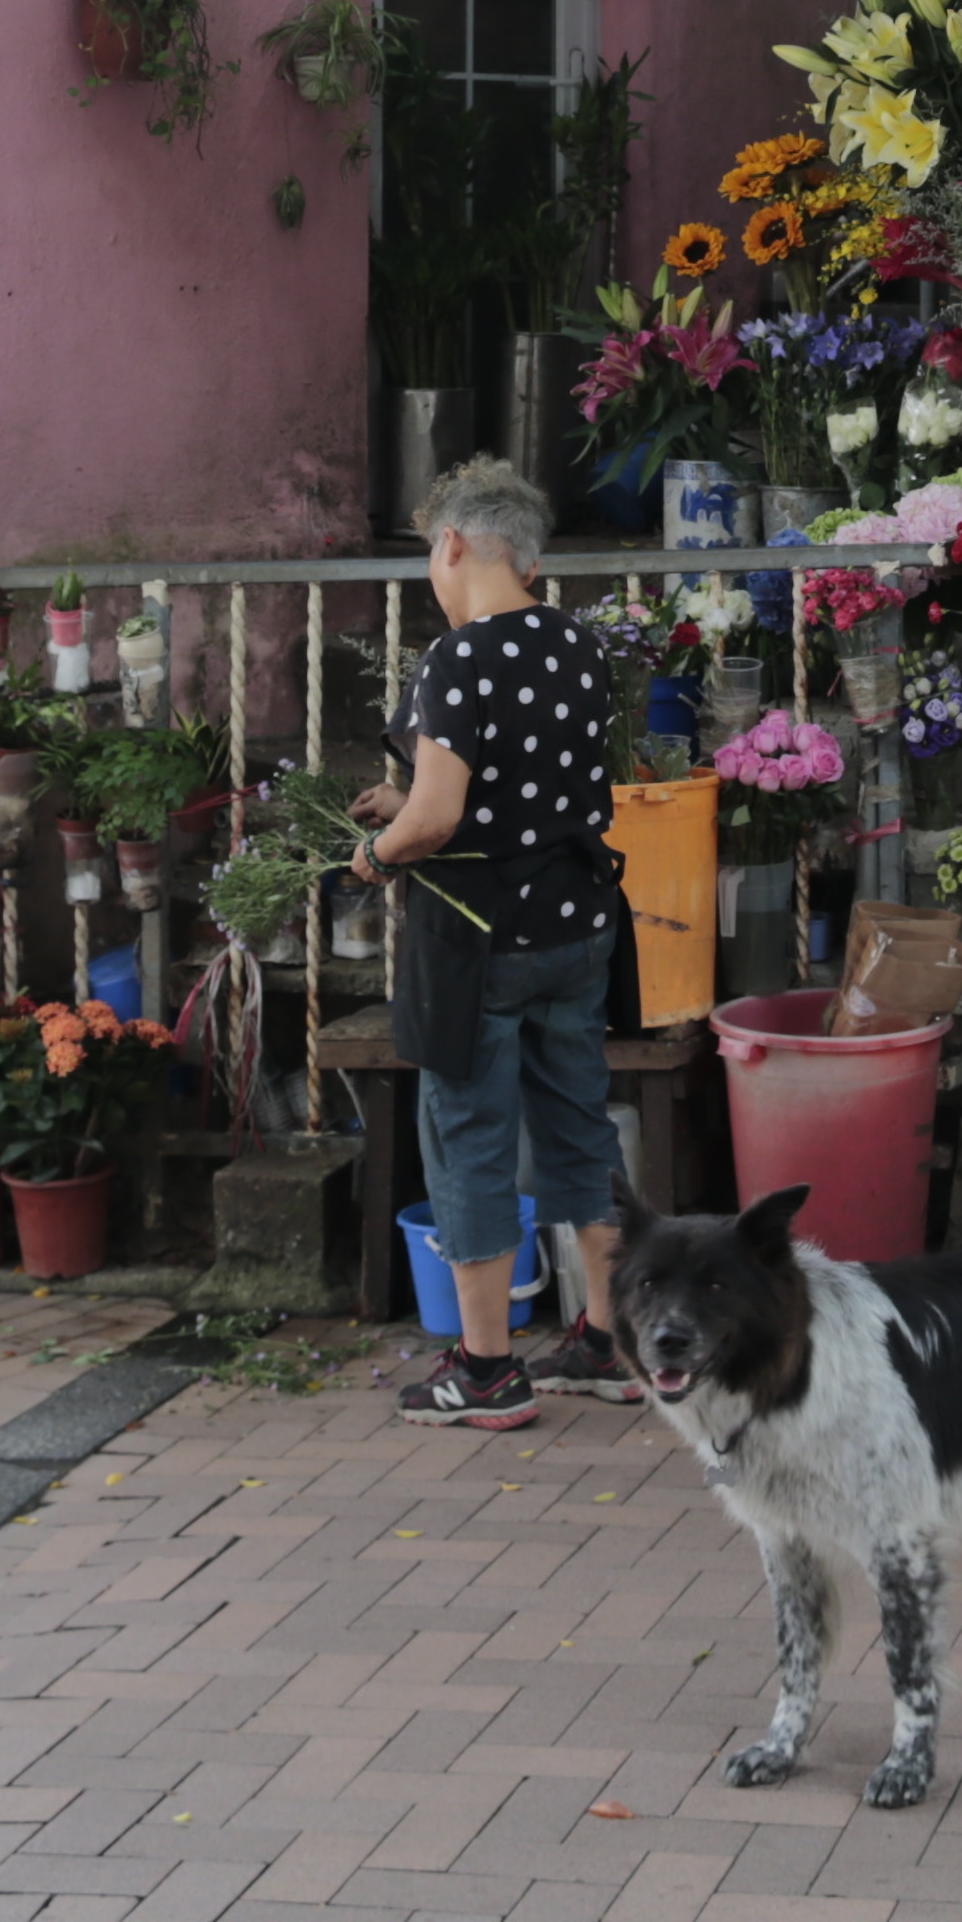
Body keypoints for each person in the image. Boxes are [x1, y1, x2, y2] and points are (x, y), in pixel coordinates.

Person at [354, 453, 633, 1428]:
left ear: (457, 543)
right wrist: (414, 809)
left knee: (469, 1138)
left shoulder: (460, 656)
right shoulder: (577, 644)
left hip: (482, 942)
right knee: (578, 1126)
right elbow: (525, 795)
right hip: (576, 929)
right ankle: (606, 1341)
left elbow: (435, 820)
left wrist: (381, 849)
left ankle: (484, 1367)